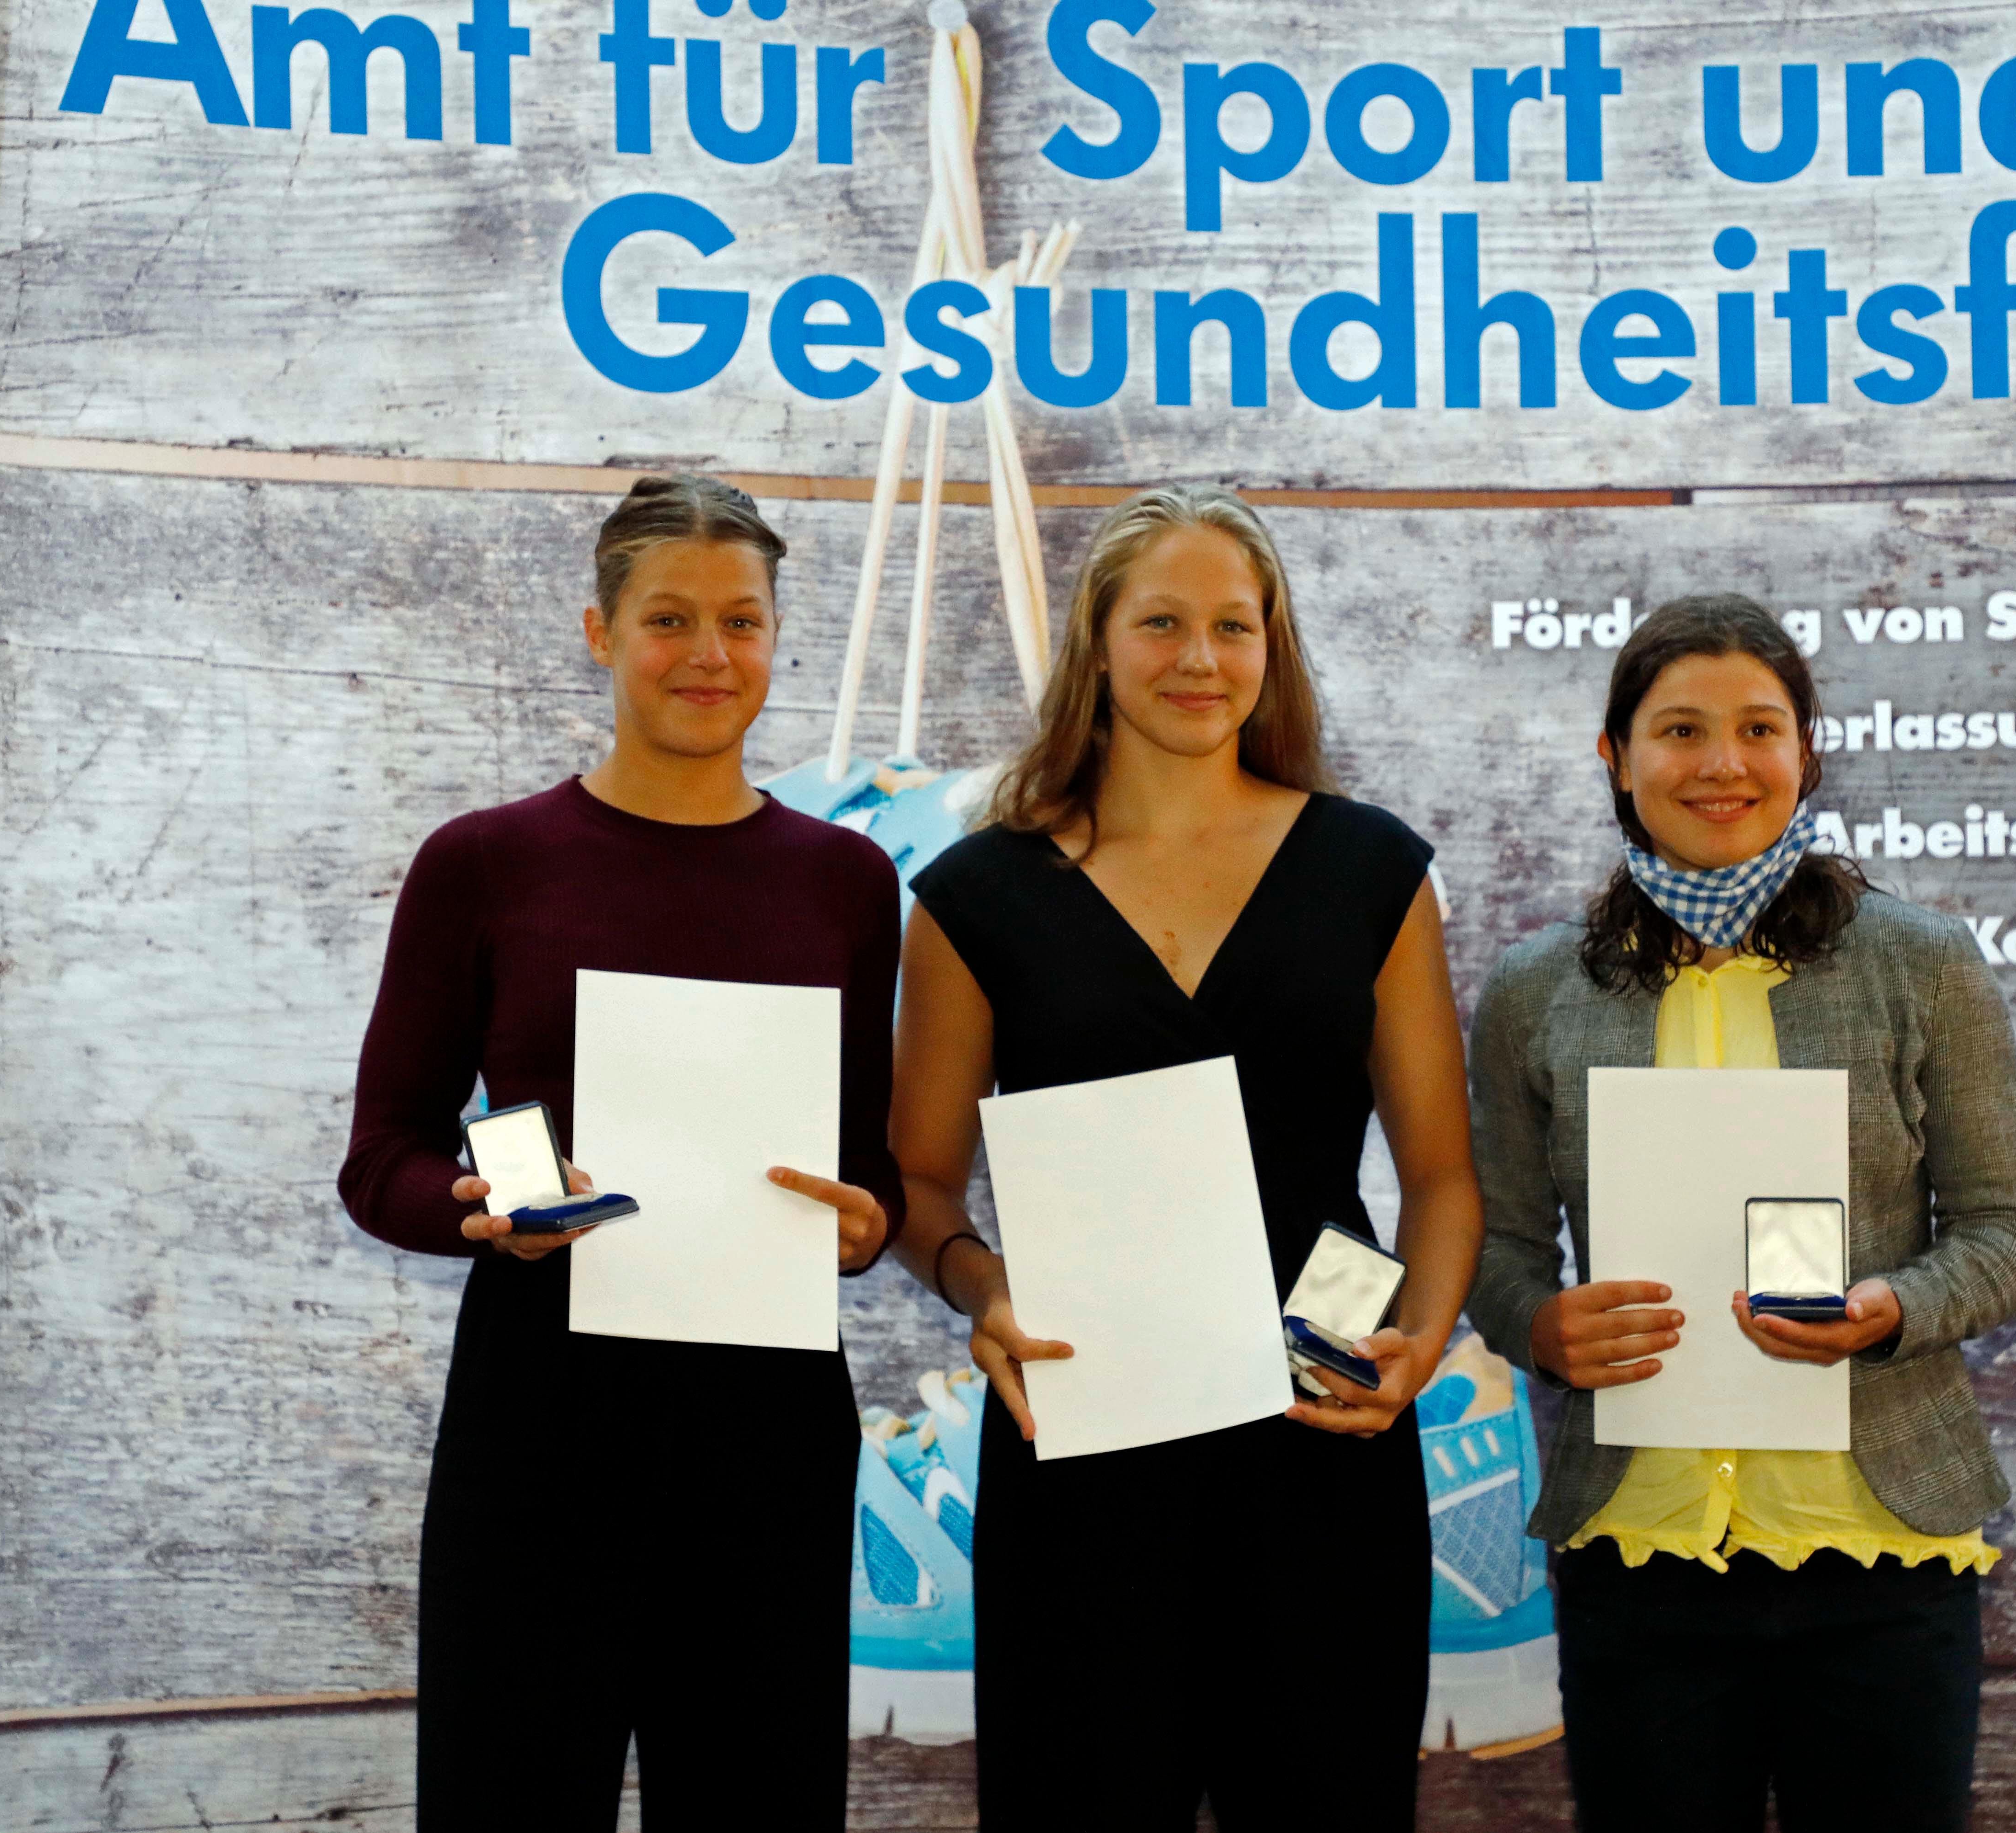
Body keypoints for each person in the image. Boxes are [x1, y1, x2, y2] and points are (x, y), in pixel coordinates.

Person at [886, 485, 1482, 1832]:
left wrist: (1421, 1339)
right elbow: (918, 1186)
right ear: (1096, 643)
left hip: (1322, 1430)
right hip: (1081, 1441)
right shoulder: (977, 894)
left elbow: (1441, 1176)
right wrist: (986, 1294)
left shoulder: (1370, 869)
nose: (1200, 660)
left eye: (1235, 624)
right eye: (1162, 622)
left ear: (1273, 648)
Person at [337, 474, 903, 1832]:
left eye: (742, 622)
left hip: (766, 1428)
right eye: (668, 618)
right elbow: (383, 1159)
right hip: (542, 1418)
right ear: (599, 630)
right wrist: (478, 1210)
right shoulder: (484, 862)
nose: (709, 655)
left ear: (776, 637)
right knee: (511, 1795)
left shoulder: (846, 880)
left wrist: (865, 1225)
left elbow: (870, 1168)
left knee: (758, 1800)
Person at [1463, 594, 2016, 1833]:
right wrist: (1538, 1326)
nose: (1720, 762)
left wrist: (1895, 1305)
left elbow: (2008, 1236)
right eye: (1678, 729)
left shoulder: (1922, 962)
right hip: (1640, 1552)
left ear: (1806, 752)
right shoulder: (1531, 990)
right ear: (1614, 757)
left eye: (1758, 728)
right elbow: (1499, 1247)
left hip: (1883, 1550)